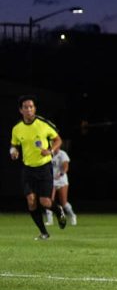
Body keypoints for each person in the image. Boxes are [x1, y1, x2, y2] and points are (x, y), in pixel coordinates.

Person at [9, 96, 63, 240]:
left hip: (44, 167)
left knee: (45, 202)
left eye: (31, 106)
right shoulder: (17, 129)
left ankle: (58, 211)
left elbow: (58, 139)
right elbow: (14, 145)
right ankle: (44, 233)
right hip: (28, 169)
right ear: (21, 110)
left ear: (35, 108)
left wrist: (51, 151)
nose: (29, 109)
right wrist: (13, 152)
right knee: (31, 201)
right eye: (26, 107)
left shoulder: (43, 124)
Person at [51, 144, 78, 227]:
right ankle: (50, 220)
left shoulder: (62, 154)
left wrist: (61, 173)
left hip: (61, 180)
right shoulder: (48, 154)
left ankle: (72, 215)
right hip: (51, 180)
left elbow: (66, 167)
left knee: (64, 202)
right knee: (48, 200)